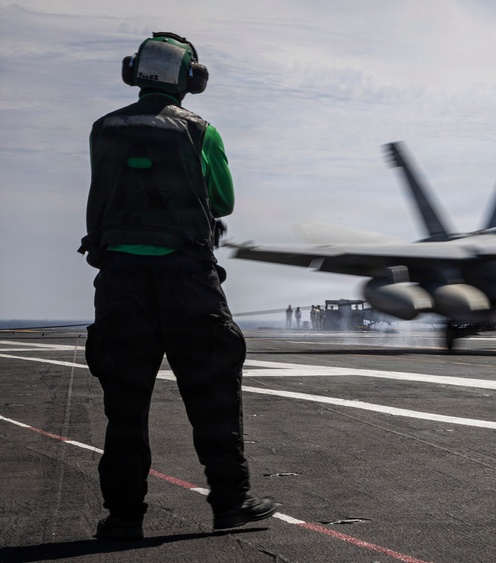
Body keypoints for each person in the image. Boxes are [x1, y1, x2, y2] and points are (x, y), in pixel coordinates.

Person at [78, 32, 279, 540]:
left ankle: (124, 518)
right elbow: (225, 201)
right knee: (212, 393)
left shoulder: (104, 128)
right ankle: (231, 503)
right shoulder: (199, 130)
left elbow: (102, 188)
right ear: (192, 80)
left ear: (134, 73)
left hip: (121, 281)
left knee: (124, 405)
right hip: (187, 278)